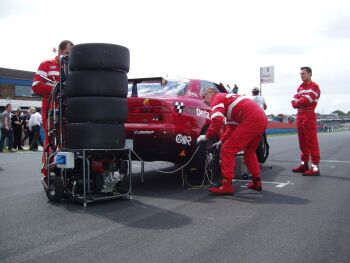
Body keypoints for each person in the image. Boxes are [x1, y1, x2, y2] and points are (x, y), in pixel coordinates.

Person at [197, 87, 267, 195]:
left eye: (204, 96)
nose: (203, 101)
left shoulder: (217, 98)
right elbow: (231, 126)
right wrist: (221, 140)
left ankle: (227, 185)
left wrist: (206, 136)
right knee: (249, 153)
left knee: (227, 150)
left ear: (211, 93)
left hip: (251, 119)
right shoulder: (227, 99)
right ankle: (256, 182)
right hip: (261, 118)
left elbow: (217, 120)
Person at [32, 40, 73, 174]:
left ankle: (63, 170)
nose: (69, 56)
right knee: (51, 141)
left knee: (67, 141)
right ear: (60, 51)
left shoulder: (72, 68)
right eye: (67, 53)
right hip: (51, 109)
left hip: (68, 109)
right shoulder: (46, 65)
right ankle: (48, 172)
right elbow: (36, 86)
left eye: (71, 54)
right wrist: (57, 88)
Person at [291, 66, 321, 176]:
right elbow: (294, 100)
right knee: (302, 142)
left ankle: (315, 168)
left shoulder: (315, 87)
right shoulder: (300, 87)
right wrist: (298, 102)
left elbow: (307, 100)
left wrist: (298, 102)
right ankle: (304, 165)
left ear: (309, 74)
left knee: (311, 143)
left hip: (309, 114)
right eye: (300, 74)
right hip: (300, 115)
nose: (301, 75)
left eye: (303, 73)